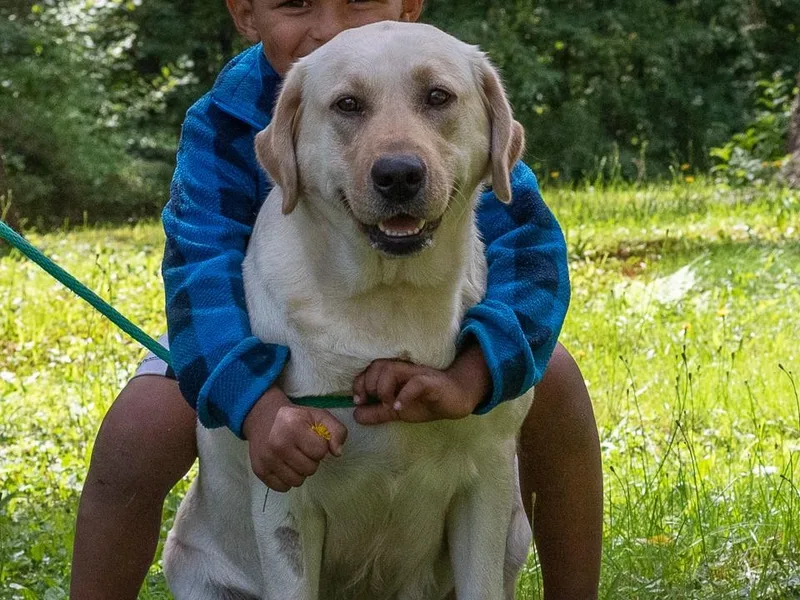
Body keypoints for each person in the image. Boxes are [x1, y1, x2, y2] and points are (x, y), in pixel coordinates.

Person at [69, 1, 603, 598]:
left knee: (554, 377)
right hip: (246, 325)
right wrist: (255, 403)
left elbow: (531, 255)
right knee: (138, 430)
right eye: (296, 3)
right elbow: (201, 273)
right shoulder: (226, 118)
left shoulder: (452, 79)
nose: (330, 26)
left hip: (439, 319)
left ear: (407, 4)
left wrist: (473, 376)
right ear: (246, 14)